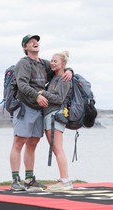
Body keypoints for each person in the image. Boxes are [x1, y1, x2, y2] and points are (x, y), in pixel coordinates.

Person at [10, 34, 72, 191]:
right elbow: (22, 85)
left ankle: (29, 180)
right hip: (25, 107)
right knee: (19, 142)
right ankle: (16, 180)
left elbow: (58, 67)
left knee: (32, 143)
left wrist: (70, 70)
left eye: (36, 41)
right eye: (30, 42)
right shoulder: (23, 63)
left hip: (39, 110)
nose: (34, 42)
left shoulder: (43, 64)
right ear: (25, 48)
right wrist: (37, 95)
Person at [39, 50, 73, 191]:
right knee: (56, 148)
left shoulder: (65, 79)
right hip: (50, 115)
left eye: (55, 61)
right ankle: (63, 179)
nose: (52, 63)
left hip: (55, 116)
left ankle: (65, 181)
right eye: (51, 60)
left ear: (63, 64)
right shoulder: (55, 77)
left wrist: (42, 93)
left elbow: (59, 98)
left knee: (58, 148)